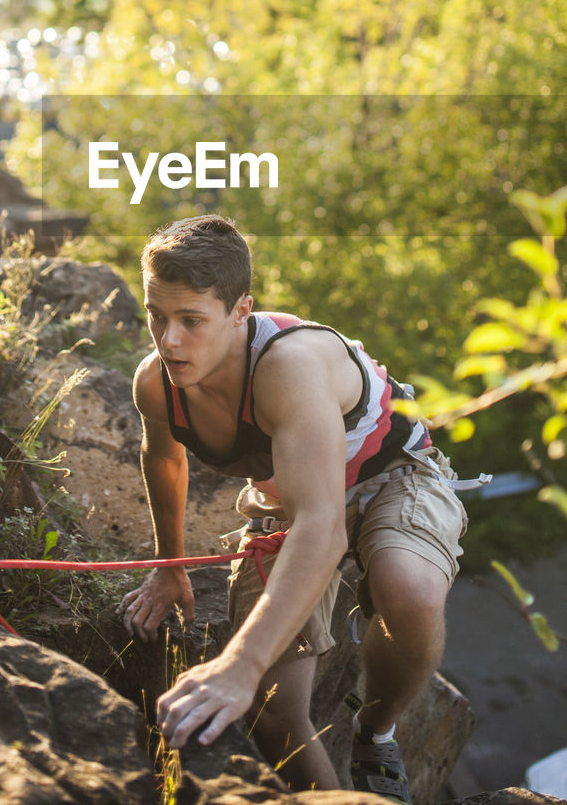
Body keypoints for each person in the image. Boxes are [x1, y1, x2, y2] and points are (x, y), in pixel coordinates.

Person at [117, 214, 469, 800]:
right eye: (157, 315)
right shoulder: (156, 382)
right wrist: (168, 568)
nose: (169, 339)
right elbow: (165, 459)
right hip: (291, 499)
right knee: (274, 710)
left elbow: (324, 527)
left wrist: (239, 664)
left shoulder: (289, 366)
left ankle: (376, 732)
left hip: (391, 476)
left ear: (239, 311)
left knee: (409, 592)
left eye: (190, 320)